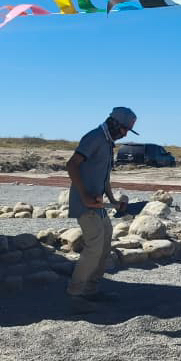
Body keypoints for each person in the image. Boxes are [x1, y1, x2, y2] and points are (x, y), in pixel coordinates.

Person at [65, 106, 136, 311]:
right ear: (114, 123)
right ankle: (75, 293)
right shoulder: (95, 137)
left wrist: (113, 200)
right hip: (85, 203)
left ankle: (91, 290)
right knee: (94, 247)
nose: (124, 134)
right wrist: (85, 196)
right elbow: (72, 165)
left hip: (99, 204)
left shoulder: (108, 143)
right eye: (124, 129)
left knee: (105, 244)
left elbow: (103, 177)